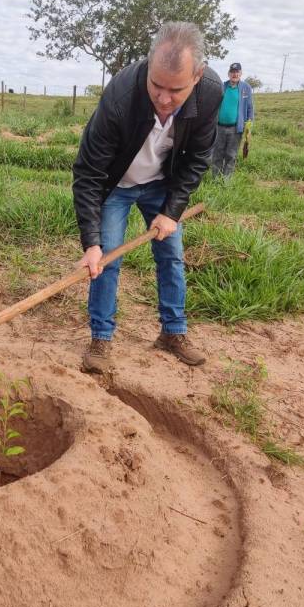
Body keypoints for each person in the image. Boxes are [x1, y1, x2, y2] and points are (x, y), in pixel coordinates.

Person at [73, 21, 223, 373]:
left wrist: (172, 211)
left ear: (197, 76)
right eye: (157, 85)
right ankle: (101, 339)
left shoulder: (210, 93)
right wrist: (91, 242)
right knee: (105, 260)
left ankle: (173, 332)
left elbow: (198, 158)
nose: (164, 98)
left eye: (176, 90)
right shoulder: (121, 95)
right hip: (116, 186)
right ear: (148, 64)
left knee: (171, 255)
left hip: (161, 184)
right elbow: (89, 171)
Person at [211, 62, 254, 178]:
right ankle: (215, 179)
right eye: (232, 72)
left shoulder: (246, 88)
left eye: (237, 72)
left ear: (241, 73)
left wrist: (249, 126)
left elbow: (250, 108)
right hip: (219, 127)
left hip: (236, 129)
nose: (235, 74)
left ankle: (226, 181)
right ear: (229, 74)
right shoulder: (222, 86)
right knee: (217, 154)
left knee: (231, 155)